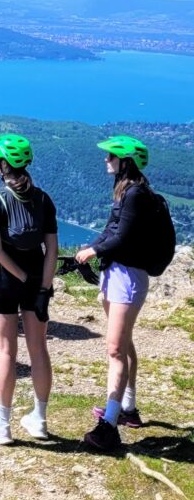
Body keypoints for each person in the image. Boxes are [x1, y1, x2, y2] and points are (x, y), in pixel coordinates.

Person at [0, 135, 57, 445]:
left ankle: (3, 423)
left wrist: (21, 276)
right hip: (38, 281)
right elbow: (51, 249)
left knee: (7, 351)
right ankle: (40, 419)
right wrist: (43, 287)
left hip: (5, 282)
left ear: (1, 166)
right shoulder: (43, 199)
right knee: (39, 349)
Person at [77, 135, 156, 451]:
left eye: (111, 155)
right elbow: (112, 229)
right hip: (118, 275)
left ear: (126, 161)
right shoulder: (126, 192)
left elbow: (120, 237)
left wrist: (92, 252)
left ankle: (108, 426)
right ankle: (128, 409)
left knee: (114, 350)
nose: (105, 159)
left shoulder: (135, 194)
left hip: (127, 277)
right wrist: (91, 247)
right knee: (123, 344)